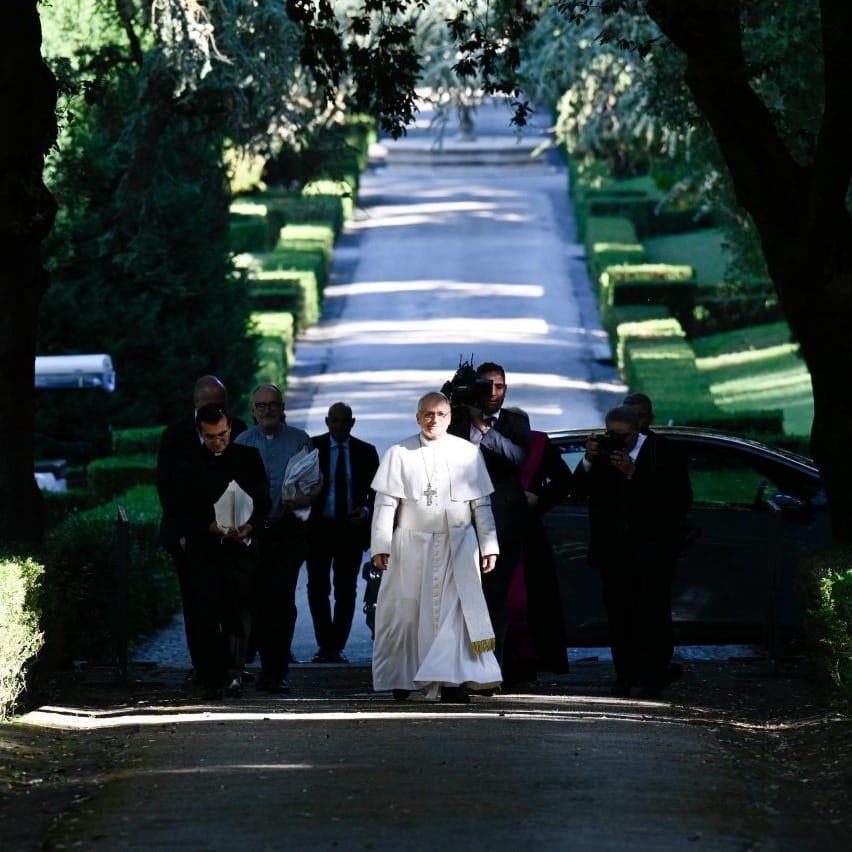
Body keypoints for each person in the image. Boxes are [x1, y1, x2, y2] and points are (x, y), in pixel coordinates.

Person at [370, 391, 502, 703]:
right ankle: (403, 676)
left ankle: (452, 681)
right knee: (406, 613)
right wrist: (381, 544)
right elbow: (385, 504)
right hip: (410, 546)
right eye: (428, 414)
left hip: (458, 545)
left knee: (454, 615)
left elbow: (481, 504)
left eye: (440, 414)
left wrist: (489, 545)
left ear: (450, 417)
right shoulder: (399, 453)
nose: (434, 420)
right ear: (418, 417)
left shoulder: (467, 453)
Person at [572, 405, 693, 699]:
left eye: (623, 436)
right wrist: (589, 459)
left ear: (637, 430)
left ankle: (654, 675)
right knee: (619, 614)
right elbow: (578, 490)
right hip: (615, 550)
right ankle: (625, 674)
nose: (617, 441)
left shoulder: (661, 451)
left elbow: (679, 498)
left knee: (653, 613)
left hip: (653, 550)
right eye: (611, 434)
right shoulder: (601, 455)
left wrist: (633, 473)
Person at [164, 403, 270, 698]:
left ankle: (235, 672)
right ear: (200, 433)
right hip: (205, 549)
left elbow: (263, 500)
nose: (218, 441)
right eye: (211, 436)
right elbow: (178, 510)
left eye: (223, 434)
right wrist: (208, 527)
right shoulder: (187, 463)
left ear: (230, 430)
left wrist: (250, 527)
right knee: (206, 614)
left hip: (240, 548)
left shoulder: (248, 457)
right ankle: (212, 677)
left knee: (239, 613)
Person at [156, 375, 249, 676]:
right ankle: (205, 666)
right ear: (197, 404)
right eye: (211, 405)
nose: (216, 411)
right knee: (196, 602)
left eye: (221, 405)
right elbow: (166, 487)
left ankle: (232, 665)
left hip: (231, 532)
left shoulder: (239, 428)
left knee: (234, 600)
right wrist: (184, 529)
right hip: (193, 532)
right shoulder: (176, 434)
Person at [234, 383, 322, 694]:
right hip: (254, 534)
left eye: (273, 404)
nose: (268, 410)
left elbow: (315, 483)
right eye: (261, 405)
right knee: (257, 602)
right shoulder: (242, 442)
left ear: (282, 408)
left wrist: (303, 499)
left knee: (282, 600)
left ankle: (277, 671)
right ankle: (262, 666)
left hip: (288, 533)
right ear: (252, 411)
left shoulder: (299, 440)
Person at [448, 360, 531, 671]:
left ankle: (489, 664)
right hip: (460, 519)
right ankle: (464, 662)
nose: (493, 393)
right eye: (485, 386)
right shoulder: (455, 419)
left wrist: (483, 427)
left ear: (506, 389)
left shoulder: (515, 421)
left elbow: (518, 458)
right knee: (464, 595)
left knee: (494, 595)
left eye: (499, 387)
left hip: (502, 522)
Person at [306, 402, 380, 663]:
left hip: (350, 529)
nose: (338, 426)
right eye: (334, 421)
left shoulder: (365, 452)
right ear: (327, 422)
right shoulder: (313, 448)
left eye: (343, 421)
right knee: (317, 587)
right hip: (319, 528)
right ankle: (324, 643)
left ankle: (336, 645)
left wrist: (367, 512)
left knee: (346, 590)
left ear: (352, 422)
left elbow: (377, 494)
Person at [503, 430, 573, 687]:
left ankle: (524, 662)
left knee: (527, 599)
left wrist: (539, 498)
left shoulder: (537, 444)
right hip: (483, 527)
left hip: (525, 532)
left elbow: (563, 480)